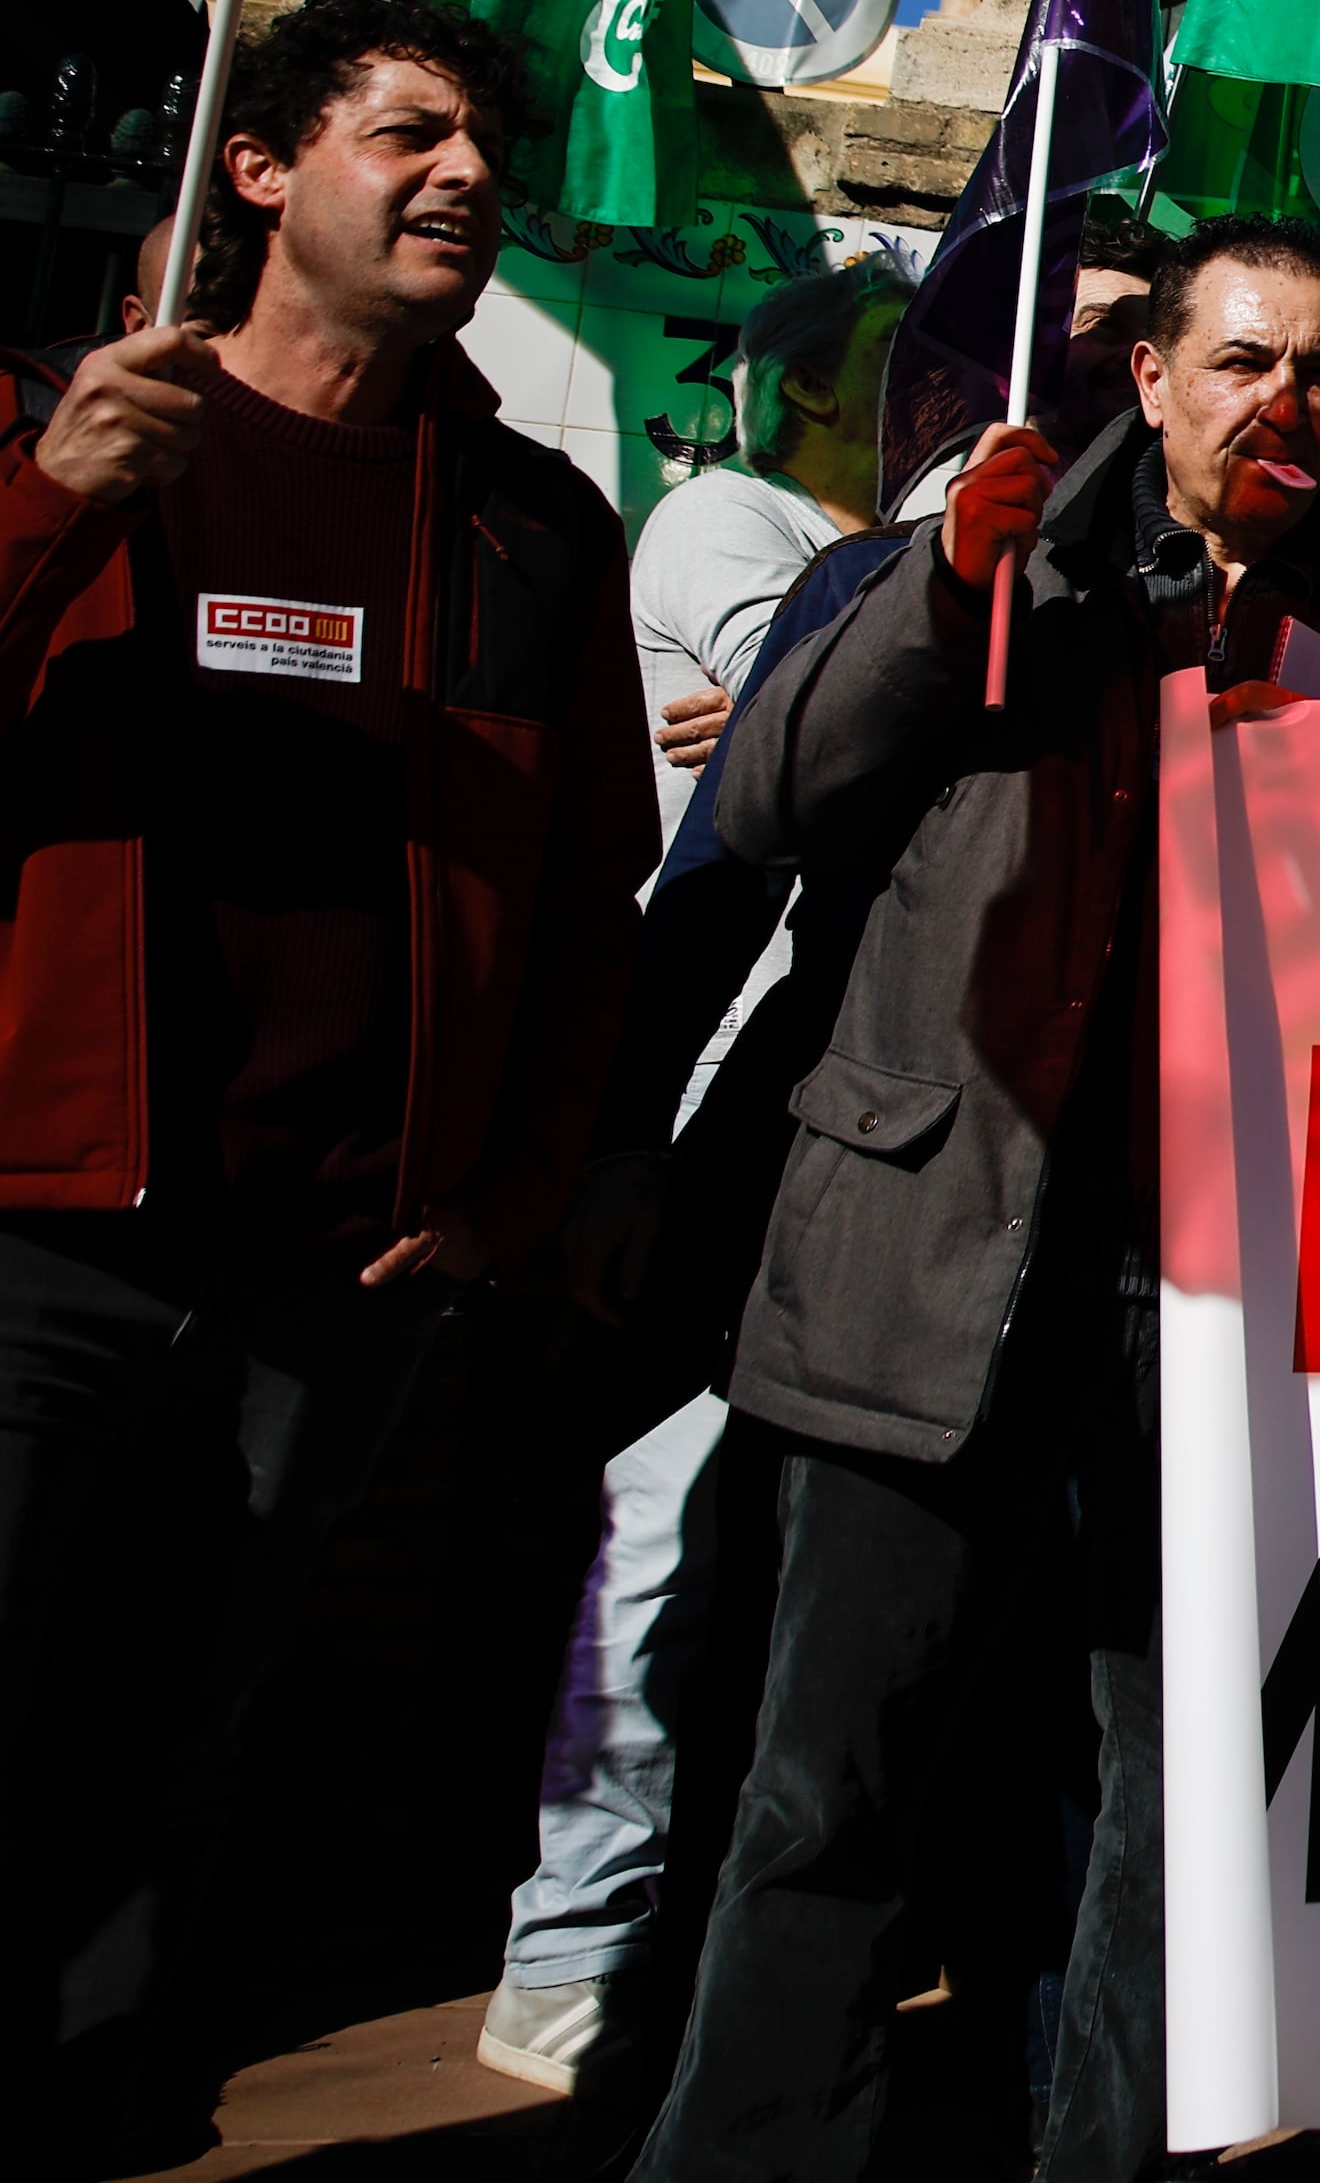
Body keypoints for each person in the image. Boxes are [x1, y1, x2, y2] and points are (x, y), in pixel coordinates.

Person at [635, 216, 1320, 2183]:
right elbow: (769, 795)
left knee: (1178, 1813)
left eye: (1319, 370)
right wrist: (947, 585)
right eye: (1243, 360)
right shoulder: (995, 570)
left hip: (1216, 1304)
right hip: (929, 1266)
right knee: (829, 1791)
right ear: (1152, 375)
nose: (1286, 400)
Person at [0, 0, 656, 2170]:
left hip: (336, 1267)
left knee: (175, 1731)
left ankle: (91, 2107)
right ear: (263, 167)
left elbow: (588, 900)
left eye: (486, 143)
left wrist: (509, 1186)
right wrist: (43, 510)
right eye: (408, 131)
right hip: (41, 1224)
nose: (465, 172)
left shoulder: (533, 524)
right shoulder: (59, 421)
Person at [479, 252, 912, 2100]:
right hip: (710, 1099)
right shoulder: (730, 519)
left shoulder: (881, 553)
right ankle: (569, 1947)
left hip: (837, 1114)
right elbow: (821, 724)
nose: (944, 385)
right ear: (807, 387)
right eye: (905, 356)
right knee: (654, 1527)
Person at [631, 257, 907, 807]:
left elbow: (811, 722)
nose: (943, 368)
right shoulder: (720, 508)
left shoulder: (902, 550)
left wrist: (764, 730)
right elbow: (810, 715)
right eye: (901, 343)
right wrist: (783, 730)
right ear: (810, 385)